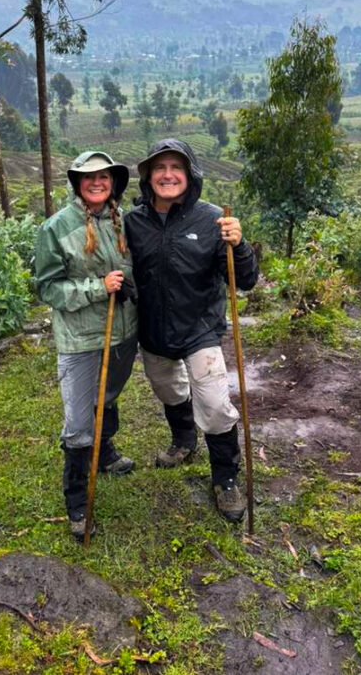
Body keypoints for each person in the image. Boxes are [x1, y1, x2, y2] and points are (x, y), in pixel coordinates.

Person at [124, 138, 258, 522]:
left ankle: (226, 479)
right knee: (170, 390)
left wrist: (240, 244)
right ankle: (184, 440)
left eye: (176, 168)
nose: (168, 175)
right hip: (153, 331)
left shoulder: (214, 220)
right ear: (148, 177)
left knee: (215, 406)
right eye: (160, 168)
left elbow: (245, 280)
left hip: (200, 329)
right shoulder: (133, 222)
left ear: (190, 175)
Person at [35, 151, 137, 541]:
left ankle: (105, 450)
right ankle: (77, 500)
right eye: (88, 177)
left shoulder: (122, 221)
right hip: (81, 339)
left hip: (123, 333)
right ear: (77, 182)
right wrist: (98, 288)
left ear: (113, 182)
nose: (97, 183)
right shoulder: (57, 228)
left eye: (104, 177)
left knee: (107, 394)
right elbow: (47, 286)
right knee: (79, 420)